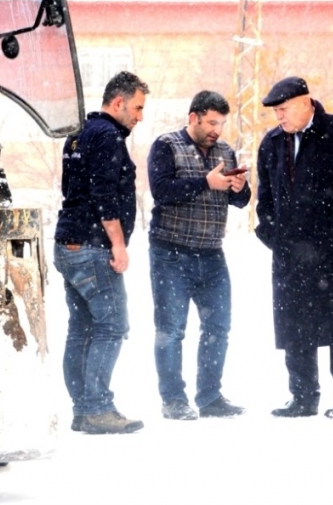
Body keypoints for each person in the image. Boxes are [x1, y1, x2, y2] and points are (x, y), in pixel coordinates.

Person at [255, 76, 333, 418]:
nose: (279, 117)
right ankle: (303, 396)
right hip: (290, 254)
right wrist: (273, 237)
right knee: (295, 325)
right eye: (275, 111)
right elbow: (266, 199)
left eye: (283, 109)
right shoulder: (272, 143)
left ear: (305, 101)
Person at [53, 71, 149, 435]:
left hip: (69, 244)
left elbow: (72, 189)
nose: (139, 116)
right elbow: (103, 195)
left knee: (82, 328)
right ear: (118, 102)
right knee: (111, 326)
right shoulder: (108, 137)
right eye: (137, 108)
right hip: (93, 246)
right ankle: (96, 408)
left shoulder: (79, 134)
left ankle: (82, 408)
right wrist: (119, 244)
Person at [147, 90, 251, 420]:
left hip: (212, 254)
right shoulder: (166, 146)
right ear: (193, 118)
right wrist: (205, 182)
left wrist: (240, 189)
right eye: (210, 122)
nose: (216, 130)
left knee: (218, 327)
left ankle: (209, 397)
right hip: (170, 253)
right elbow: (162, 192)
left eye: (221, 123)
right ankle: (173, 399)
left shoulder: (225, 151)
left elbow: (240, 201)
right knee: (171, 330)